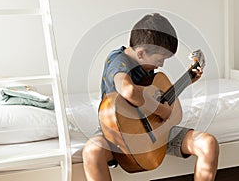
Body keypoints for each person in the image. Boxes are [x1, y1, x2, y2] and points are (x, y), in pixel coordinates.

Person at [82, 13, 219, 181]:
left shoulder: (145, 63)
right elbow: (129, 91)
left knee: (208, 143)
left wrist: (188, 80)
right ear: (141, 53)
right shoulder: (118, 62)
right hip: (118, 134)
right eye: (160, 60)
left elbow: (154, 97)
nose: (161, 65)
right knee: (92, 151)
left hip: (155, 133)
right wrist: (161, 110)